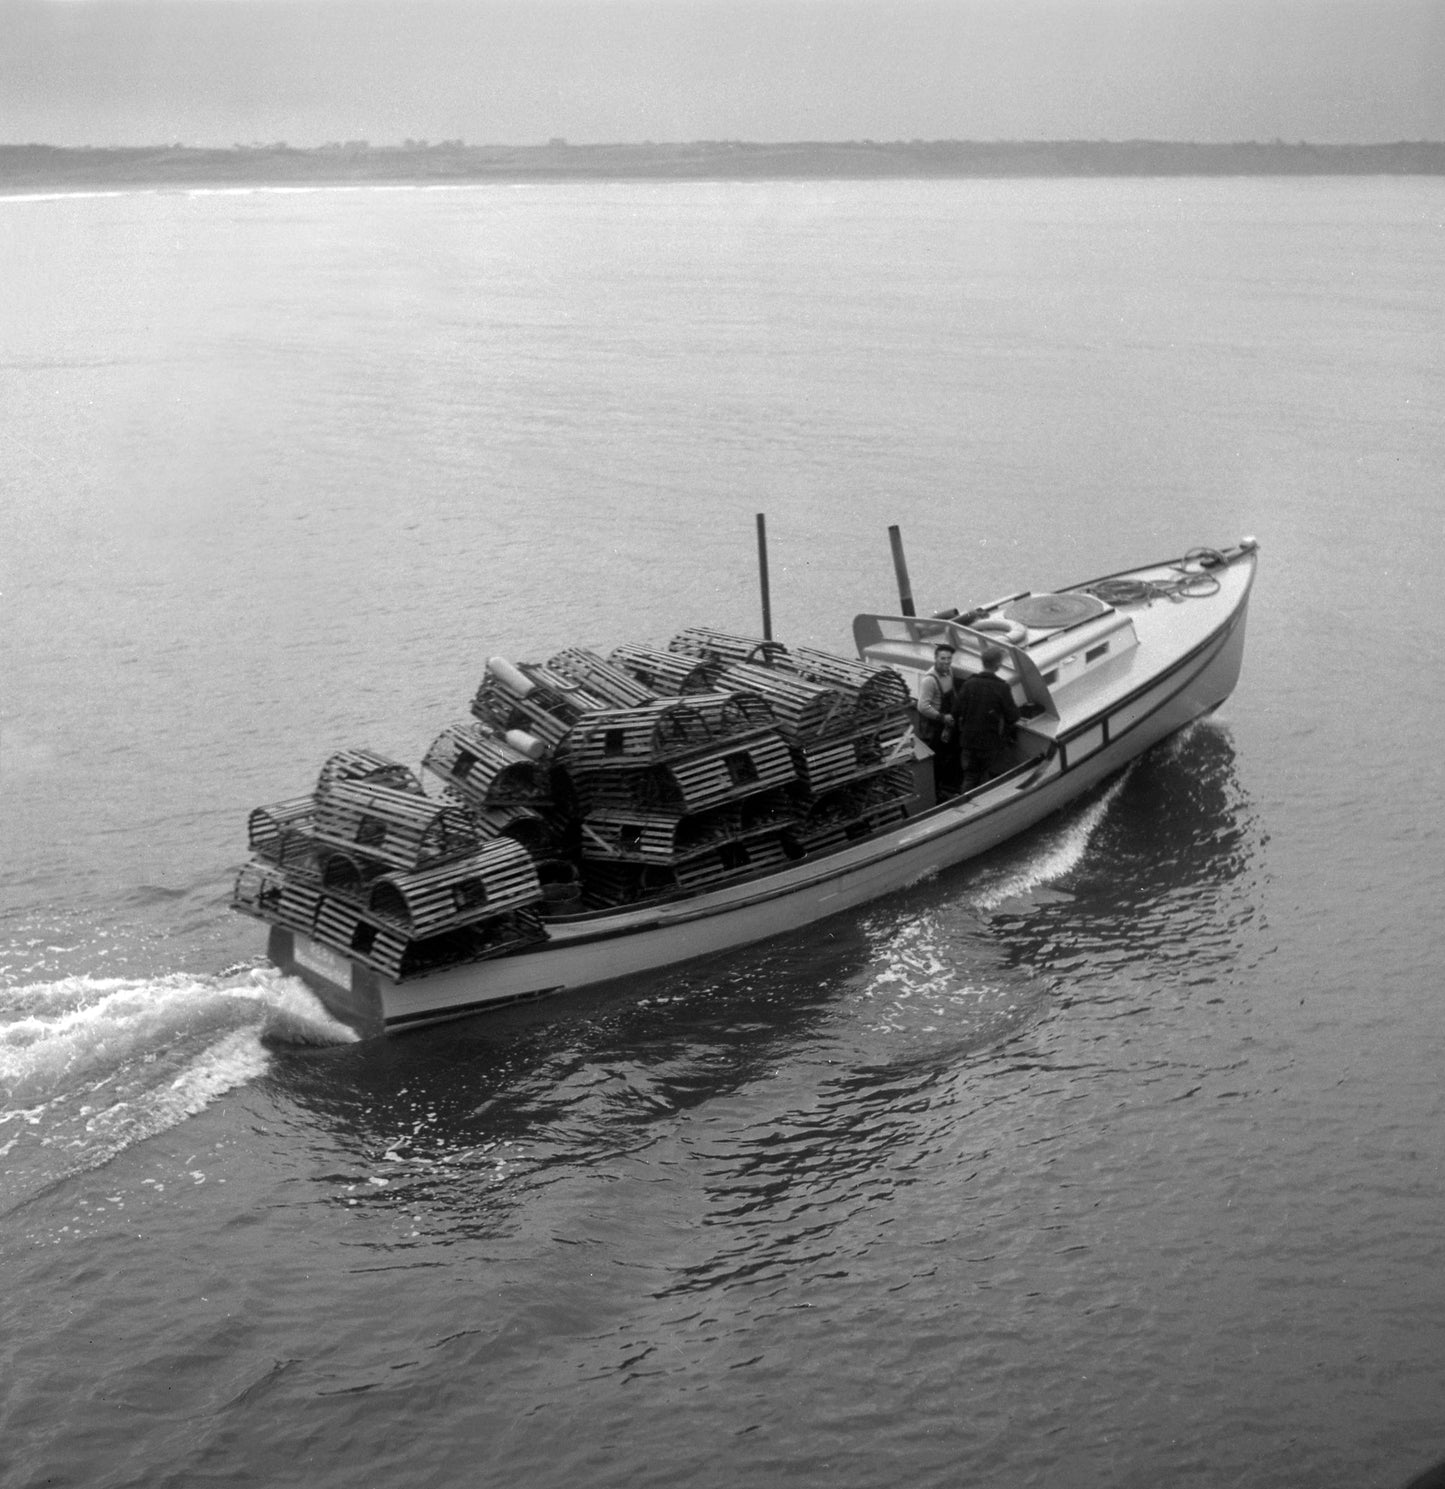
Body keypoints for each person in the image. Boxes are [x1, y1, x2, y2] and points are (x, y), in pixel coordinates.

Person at [957, 645, 1020, 792]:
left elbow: (957, 709)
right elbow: (1013, 716)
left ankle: (963, 804)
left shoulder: (969, 683)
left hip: (968, 740)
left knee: (970, 776)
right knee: (984, 777)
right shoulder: (1002, 687)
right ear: (998, 665)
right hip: (988, 743)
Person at [916, 643, 961, 797]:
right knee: (937, 759)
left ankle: (948, 786)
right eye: (943, 658)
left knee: (952, 753)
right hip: (935, 725)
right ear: (935, 658)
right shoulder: (929, 680)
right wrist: (942, 717)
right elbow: (922, 706)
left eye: (949, 659)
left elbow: (952, 693)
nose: (946, 662)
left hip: (948, 722)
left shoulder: (950, 672)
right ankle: (936, 791)